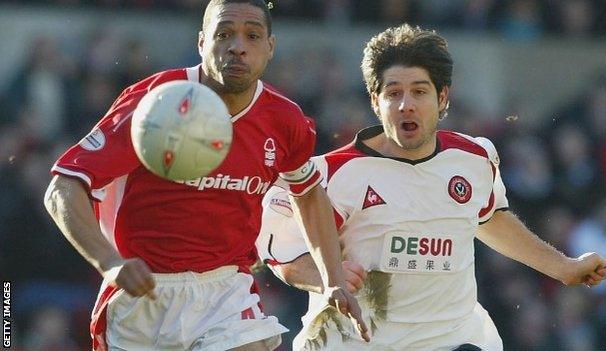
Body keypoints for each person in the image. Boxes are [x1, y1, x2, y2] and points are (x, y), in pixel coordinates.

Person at [255, 24, 606, 350]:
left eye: (419, 91)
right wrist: (323, 276)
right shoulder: (331, 175)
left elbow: (488, 219)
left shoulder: (474, 158)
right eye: (393, 93)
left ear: (442, 98)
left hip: (454, 340)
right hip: (358, 341)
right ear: (375, 102)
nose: (406, 104)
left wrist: (563, 267)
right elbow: (279, 250)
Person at [43, 1, 367, 350]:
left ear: (270, 47)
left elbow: (307, 191)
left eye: (252, 36)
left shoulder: (284, 119)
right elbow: (62, 187)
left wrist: (334, 278)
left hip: (225, 292)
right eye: (224, 34)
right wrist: (109, 262)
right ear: (202, 43)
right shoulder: (155, 102)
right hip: (143, 294)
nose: (238, 46)